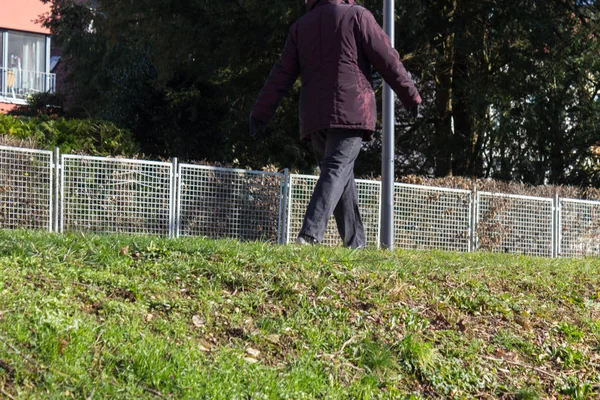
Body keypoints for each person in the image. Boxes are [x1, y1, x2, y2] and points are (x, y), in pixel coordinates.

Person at [250, 0, 421, 248]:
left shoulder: (301, 26)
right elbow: (388, 59)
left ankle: (355, 245)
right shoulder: (357, 16)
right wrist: (410, 95)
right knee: (336, 171)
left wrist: (260, 112)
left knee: (341, 177)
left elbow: (281, 74)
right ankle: (309, 234)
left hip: (315, 117)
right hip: (351, 110)